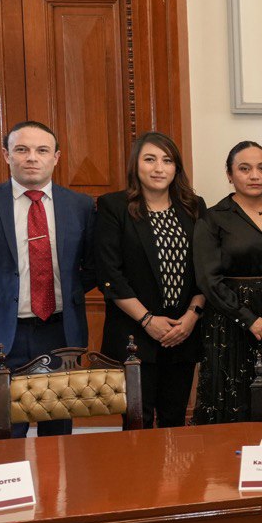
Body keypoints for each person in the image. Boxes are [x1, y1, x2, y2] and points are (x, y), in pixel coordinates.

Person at [0, 121, 94, 439]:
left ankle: (54, 492)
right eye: (21, 149)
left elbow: (94, 265)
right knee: (6, 434)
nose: (31, 158)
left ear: (56, 157)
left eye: (42, 150)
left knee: (57, 434)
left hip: (58, 332)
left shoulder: (79, 206)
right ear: (6, 155)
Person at [95, 132, 206, 428]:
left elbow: (205, 270)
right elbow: (109, 274)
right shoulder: (113, 206)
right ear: (136, 165)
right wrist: (147, 320)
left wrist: (191, 317)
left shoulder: (194, 207)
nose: (159, 168)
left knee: (174, 420)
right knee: (137, 422)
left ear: (176, 168)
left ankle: (175, 477)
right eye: (150, 159)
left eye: (167, 160)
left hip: (182, 332)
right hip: (134, 334)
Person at [191, 142, 262, 424]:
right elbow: (208, 279)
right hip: (230, 324)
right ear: (229, 175)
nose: (255, 175)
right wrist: (248, 319)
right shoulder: (213, 218)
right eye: (245, 168)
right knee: (231, 401)